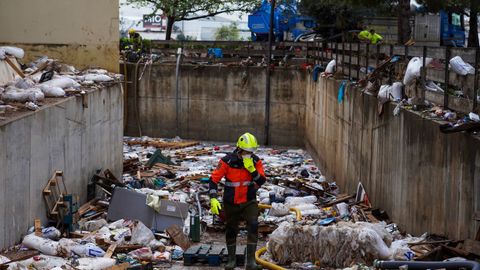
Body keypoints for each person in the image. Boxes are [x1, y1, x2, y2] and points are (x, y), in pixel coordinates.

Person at [209, 132, 266, 270]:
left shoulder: (255, 161)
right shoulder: (227, 161)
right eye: (247, 152)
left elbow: (261, 181)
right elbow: (213, 180)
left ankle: (251, 262)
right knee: (231, 229)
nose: (249, 154)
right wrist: (213, 199)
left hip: (249, 200)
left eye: (251, 152)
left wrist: (252, 169)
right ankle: (231, 260)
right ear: (239, 149)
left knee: (253, 225)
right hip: (231, 202)